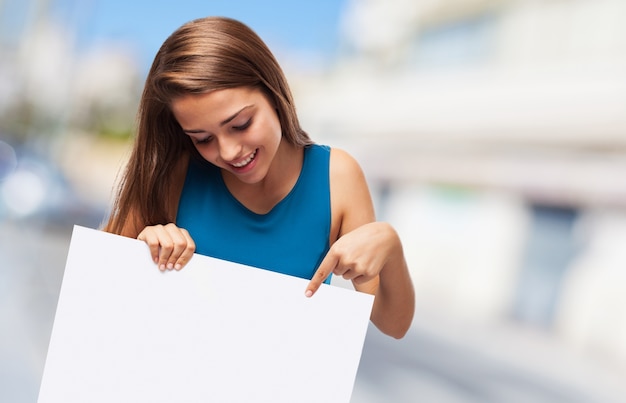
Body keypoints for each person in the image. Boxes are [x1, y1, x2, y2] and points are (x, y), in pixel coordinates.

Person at [104, 16, 414, 339]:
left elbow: (393, 324)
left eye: (240, 124)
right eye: (203, 139)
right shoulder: (177, 174)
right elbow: (96, 286)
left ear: (273, 93)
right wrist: (141, 251)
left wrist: (391, 250)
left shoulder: (337, 177)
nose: (227, 151)